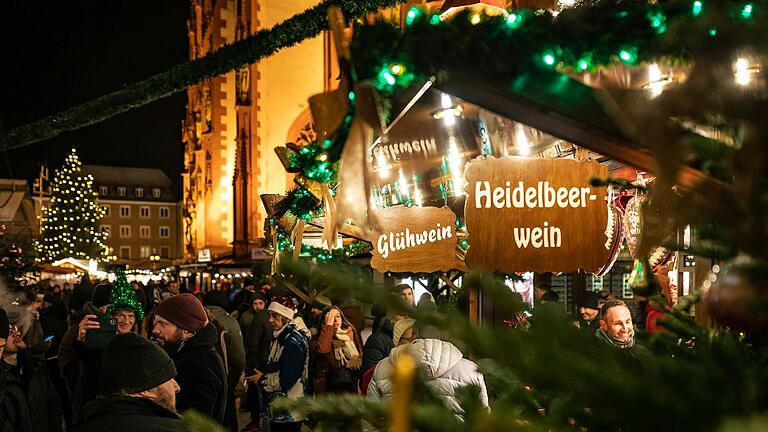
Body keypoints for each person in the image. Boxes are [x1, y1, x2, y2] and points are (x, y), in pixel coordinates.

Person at [59, 282, 144, 424]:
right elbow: (72, 371)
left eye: (131, 315)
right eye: (118, 313)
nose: (126, 320)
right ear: (100, 309)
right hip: (91, 406)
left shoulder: (128, 335)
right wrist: (81, 343)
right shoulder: (80, 331)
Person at [367, 323, 489, 418]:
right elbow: (483, 419)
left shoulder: (382, 367)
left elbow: (371, 417)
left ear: (415, 334)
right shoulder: (472, 370)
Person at [76, 333, 182, 432]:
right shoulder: (175, 429)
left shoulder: (89, 425)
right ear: (147, 389)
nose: (176, 387)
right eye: (168, 379)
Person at [152, 293, 227, 423]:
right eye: (156, 322)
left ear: (186, 329)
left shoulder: (199, 363)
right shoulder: (189, 353)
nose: (155, 330)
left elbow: (199, 419)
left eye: (163, 324)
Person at [251, 297, 309, 432]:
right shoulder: (281, 336)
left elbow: (287, 378)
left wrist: (262, 379)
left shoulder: (293, 341)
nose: (270, 320)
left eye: (275, 316)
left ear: (286, 316)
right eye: (269, 315)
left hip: (289, 410)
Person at [3, 316, 63, 432]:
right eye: (9, 331)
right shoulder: (4, 377)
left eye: (14, 329)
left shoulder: (35, 366)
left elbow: (53, 404)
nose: (16, 333)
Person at [203, 292, 246, 431]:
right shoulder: (231, 321)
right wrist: (230, 383)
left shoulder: (197, 319)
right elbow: (239, 359)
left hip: (203, 382)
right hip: (225, 379)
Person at [311, 306, 363, 394]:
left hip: (349, 385)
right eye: (332, 317)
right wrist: (328, 326)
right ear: (325, 320)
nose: (335, 320)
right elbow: (323, 349)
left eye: (338, 316)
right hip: (327, 388)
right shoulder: (321, 337)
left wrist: (356, 362)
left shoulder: (350, 333)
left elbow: (360, 353)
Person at [239, 292, 271, 432]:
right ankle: (256, 420)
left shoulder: (267, 317)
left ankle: (259, 421)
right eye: (255, 303)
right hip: (253, 360)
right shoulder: (247, 317)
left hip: (260, 360)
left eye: (260, 303)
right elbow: (250, 342)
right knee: (254, 392)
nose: (258, 306)